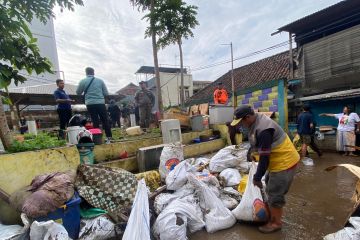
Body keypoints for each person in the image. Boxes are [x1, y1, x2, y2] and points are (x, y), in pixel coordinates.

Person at [231, 105, 300, 233]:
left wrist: (257, 177)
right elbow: (256, 144)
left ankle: (276, 223)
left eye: (241, 122)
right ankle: (271, 214)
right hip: (276, 161)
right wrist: (251, 153)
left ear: (247, 117)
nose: (240, 125)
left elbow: (264, 158)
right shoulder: (254, 122)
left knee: (275, 193)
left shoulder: (263, 129)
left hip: (284, 162)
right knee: (269, 185)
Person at [76, 67, 112, 143]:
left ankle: (97, 138)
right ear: (93, 72)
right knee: (105, 120)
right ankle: (109, 137)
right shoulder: (100, 81)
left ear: (86, 73)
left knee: (95, 120)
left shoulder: (83, 81)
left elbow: (78, 92)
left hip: (90, 103)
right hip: (100, 103)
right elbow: (106, 93)